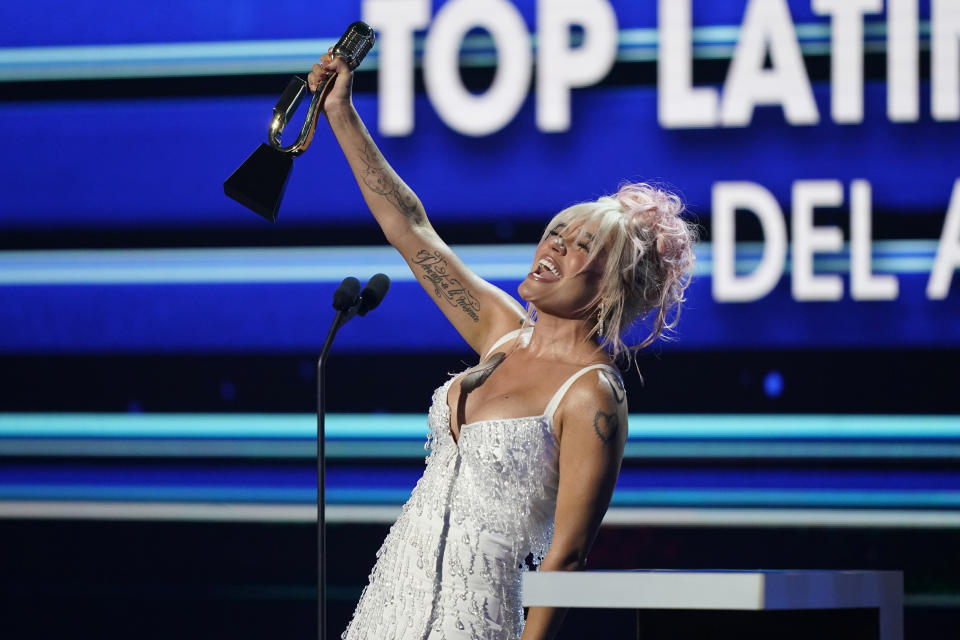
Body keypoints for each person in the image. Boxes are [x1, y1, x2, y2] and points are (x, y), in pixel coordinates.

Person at [308, 48, 697, 640]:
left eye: (578, 248)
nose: (553, 247)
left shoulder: (592, 394)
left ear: (610, 286)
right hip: (391, 604)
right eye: (554, 233)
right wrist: (341, 112)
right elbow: (409, 228)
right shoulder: (501, 333)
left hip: (476, 620)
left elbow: (567, 556)